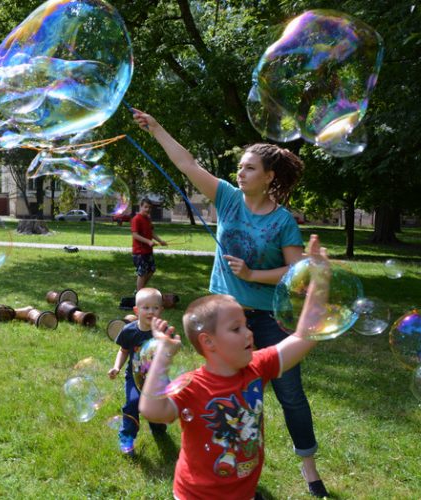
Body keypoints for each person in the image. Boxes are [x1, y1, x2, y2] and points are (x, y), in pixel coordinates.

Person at [133, 110, 327, 496]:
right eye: (239, 167)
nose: (241, 173)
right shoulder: (227, 198)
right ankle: (229, 461)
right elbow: (186, 162)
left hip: (269, 317)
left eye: (250, 168)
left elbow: (295, 273)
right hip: (224, 316)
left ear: (269, 176)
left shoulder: (282, 221)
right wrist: (156, 127)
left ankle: (310, 469)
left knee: (290, 394)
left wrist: (254, 275)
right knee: (223, 392)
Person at [140, 235, 329, 499]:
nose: (249, 333)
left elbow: (303, 336)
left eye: (246, 325)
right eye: (236, 328)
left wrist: (320, 280)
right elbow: (152, 410)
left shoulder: (257, 367)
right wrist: (163, 353)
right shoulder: (193, 386)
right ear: (209, 342)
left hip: (244, 492)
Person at [108, 287, 168, 456]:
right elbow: (124, 351)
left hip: (157, 377)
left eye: (155, 308)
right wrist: (116, 367)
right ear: (136, 310)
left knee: (156, 404)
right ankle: (127, 436)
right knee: (133, 403)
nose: (151, 311)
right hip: (135, 377)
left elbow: (169, 350)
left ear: (161, 310)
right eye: (146, 307)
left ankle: (156, 424)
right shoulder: (129, 331)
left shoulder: (162, 331)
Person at [131, 197, 167, 291]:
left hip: (148, 251)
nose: (148, 209)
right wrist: (148, 241)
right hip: (139, 252)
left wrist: (160, 241)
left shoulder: (148, 219)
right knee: (142, 273)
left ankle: (140, 289)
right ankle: (139, 293)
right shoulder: (136, 219)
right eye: (146, 207)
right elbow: (135, 235)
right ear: (141, 207)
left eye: (150, 208)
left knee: (151, 270)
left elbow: (152, 233)